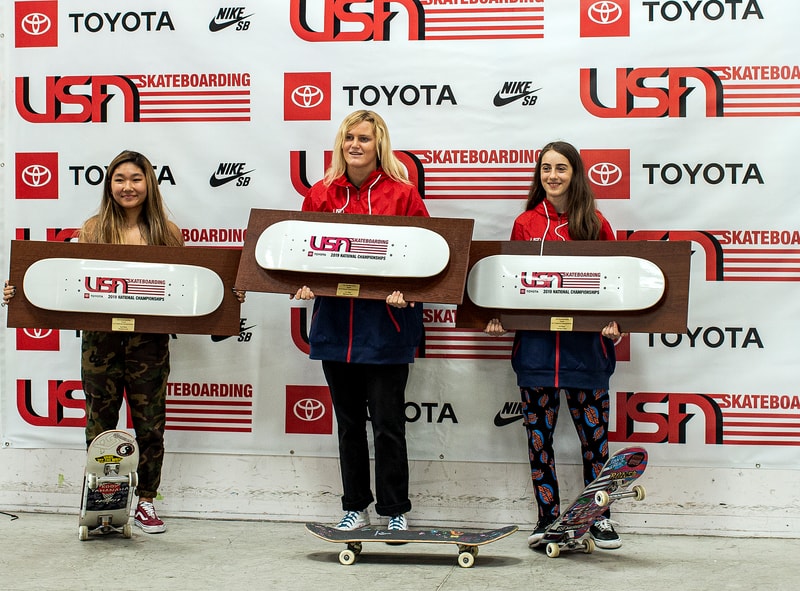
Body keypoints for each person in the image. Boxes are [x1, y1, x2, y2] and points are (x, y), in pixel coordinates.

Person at [3, 150, 207, 534]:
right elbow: (68, 284)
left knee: (150, 426)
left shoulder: (167, 233)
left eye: (135, 179)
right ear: (109, 185)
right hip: (101, 344)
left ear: (149, 183)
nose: (127, 187)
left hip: (149, 345)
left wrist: (227, 301)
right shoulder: (94, 228)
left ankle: (146, 502)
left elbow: (187, 288)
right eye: (119, 179)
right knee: (100, 424)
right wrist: (22, 295)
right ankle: (103, 501)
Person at [484, 141, 624, 550]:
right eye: (546, 168)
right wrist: (498, 317)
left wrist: (617, 324)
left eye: (561, 168)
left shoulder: (596, 223)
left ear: (575, 173)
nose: (553, 176)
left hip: (587, 355)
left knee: (594, 444)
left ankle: (598, 518)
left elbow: (617, 284)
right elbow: (508, 282)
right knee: (539, 443)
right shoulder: (525, 223)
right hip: (536, 354)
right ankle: (547, 519)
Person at [293, 110, 427, 532]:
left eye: (365, 139)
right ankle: (355, 506)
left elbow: (429, 255)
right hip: (336, 328)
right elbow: (300, 251)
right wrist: (302, 283)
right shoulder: (320, 193)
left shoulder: (404, 195)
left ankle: (395, 511)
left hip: (386, 329)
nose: (355, 145)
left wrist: (409, 290)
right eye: (349, 137)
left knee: (388, 426)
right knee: (349, 426)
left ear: (379, 144)